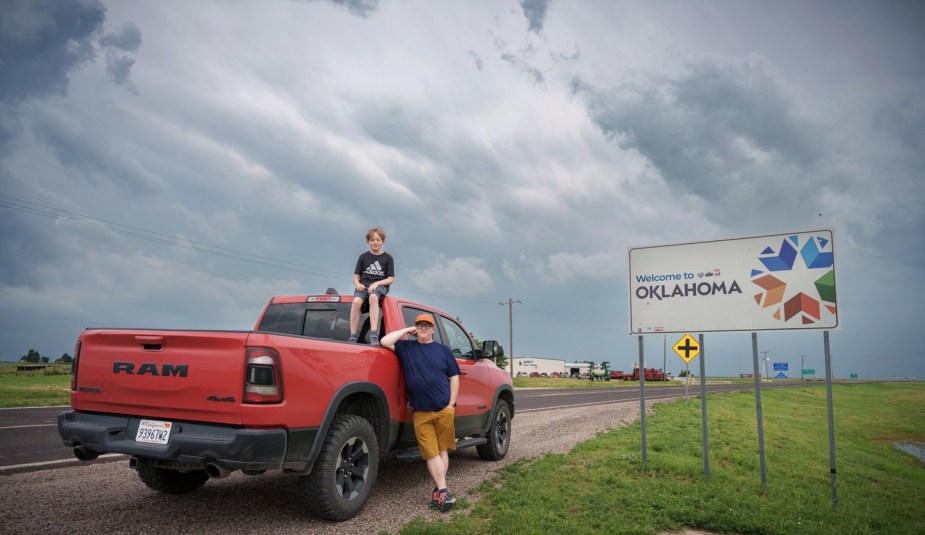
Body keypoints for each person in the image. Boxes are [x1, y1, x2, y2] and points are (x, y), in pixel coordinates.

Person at [380, 313, 460, 512]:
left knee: (442, 450)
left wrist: (451, 404)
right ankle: (444, 490)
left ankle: (439, 490)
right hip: (421, 412)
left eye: (427, 326)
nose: (423, 328)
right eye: (420, 326)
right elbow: (384, 341)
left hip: (444, 409)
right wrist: (407, 330)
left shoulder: (443, 351)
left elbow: (454, 378)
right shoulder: (407, 348)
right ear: (416, 329)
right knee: (430, 452)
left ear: (433, 329)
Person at [348, 227, 394, 345]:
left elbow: (390, 279)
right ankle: (352, 336)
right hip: (364, 285)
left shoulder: (388, 258)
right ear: (367, 241)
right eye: (372, 240)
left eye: (378, 240)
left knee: (373, 297)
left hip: (380, 286)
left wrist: (377, 283)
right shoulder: (363, 257)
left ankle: (374, 335)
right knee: (356, 301)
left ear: (383, 241)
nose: (375, 242)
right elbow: (356, 276)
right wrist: (357, 284)